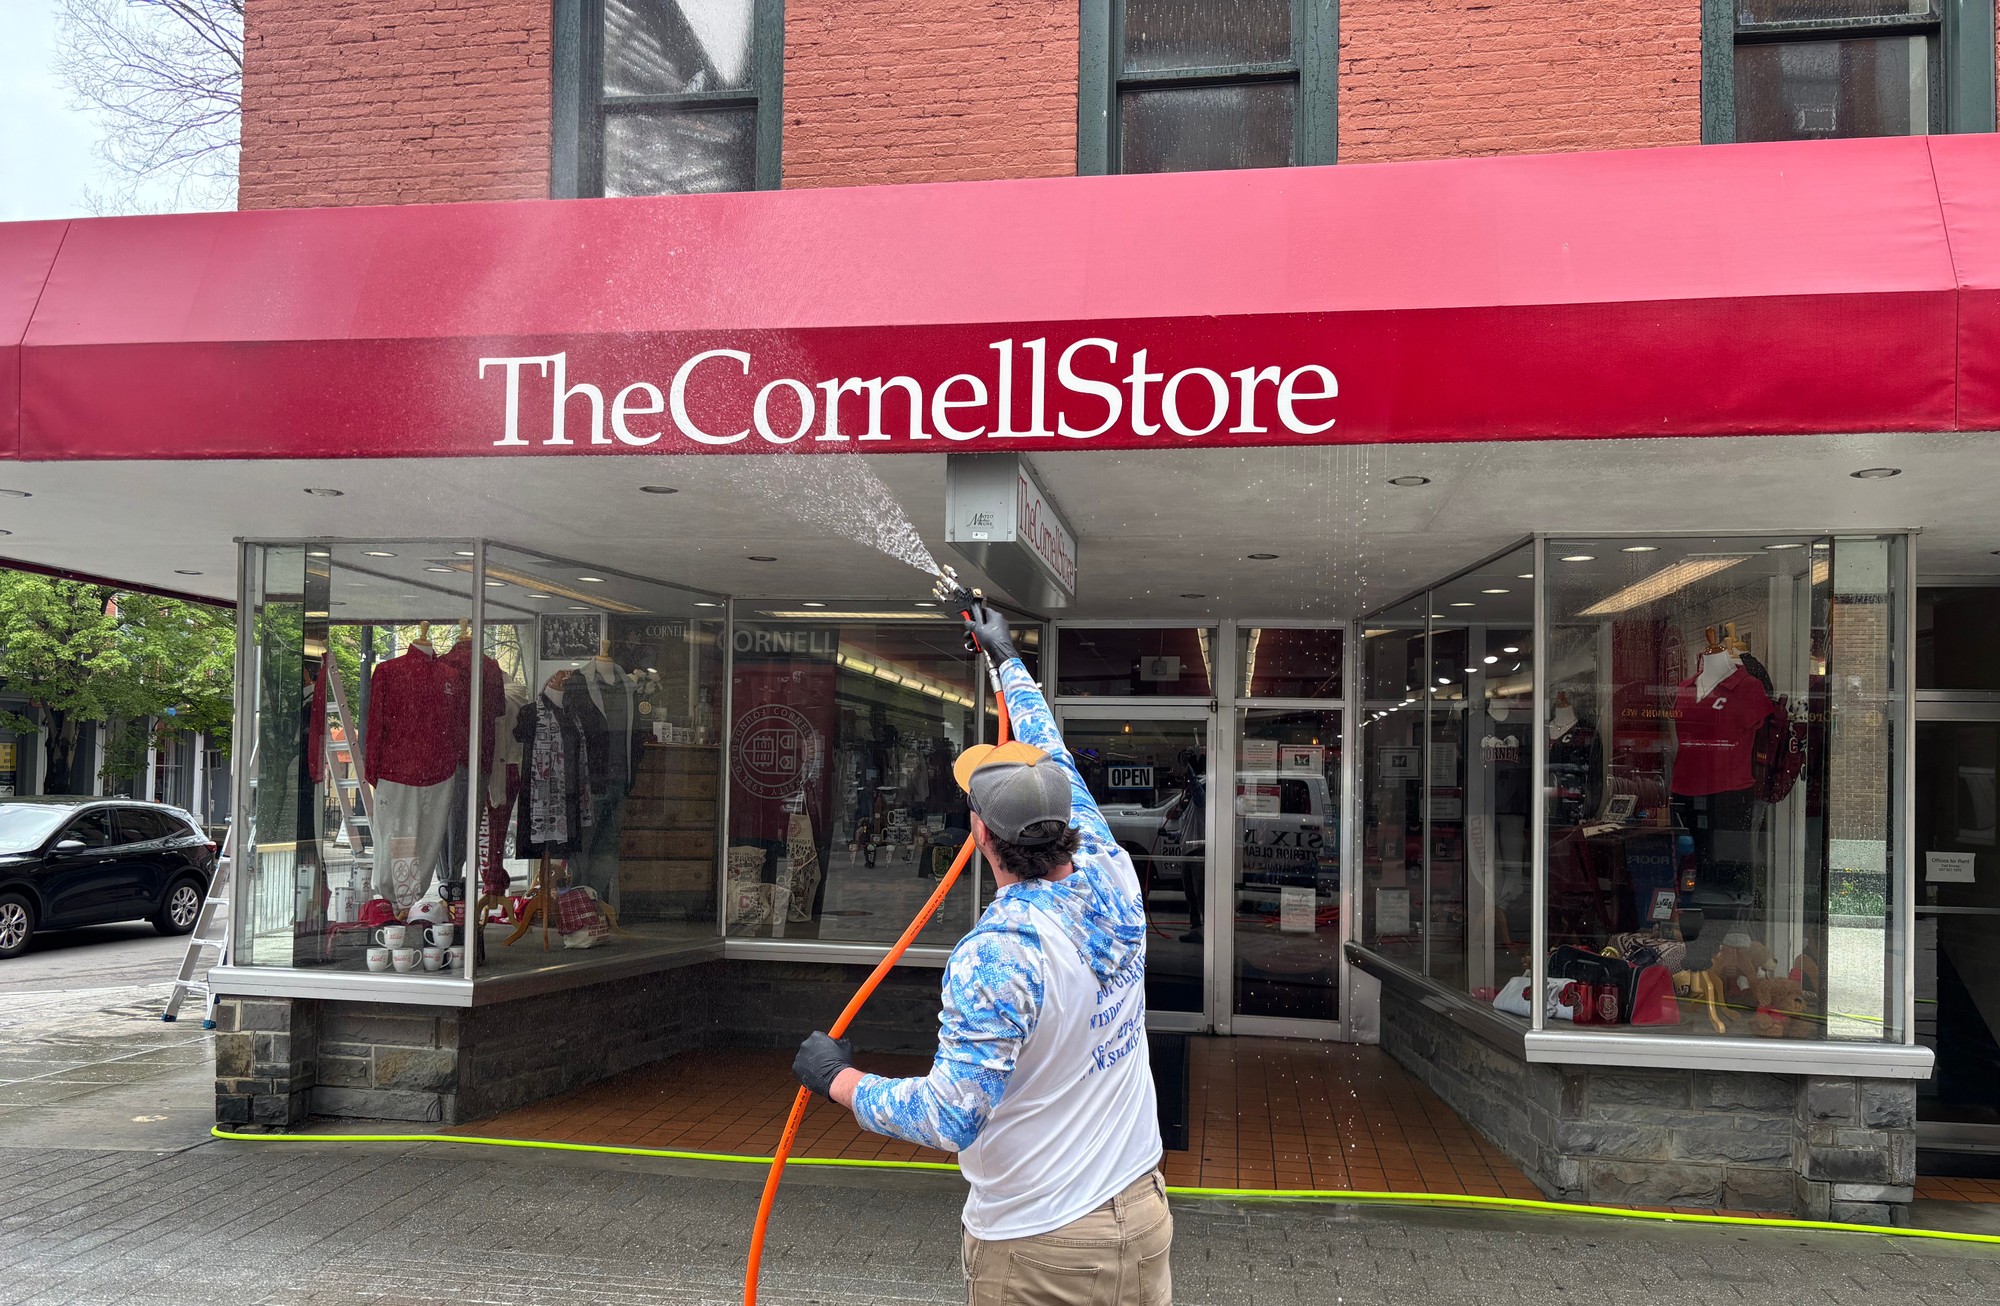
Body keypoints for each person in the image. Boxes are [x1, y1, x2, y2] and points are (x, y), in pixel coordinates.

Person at [794, 602, 1171, 1305]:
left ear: (980, 833)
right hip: (1141, 1211)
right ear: (1064, 823)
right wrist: (1007, 661)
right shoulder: (1111, 871)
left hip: (1044, 1243)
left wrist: (837, 1081)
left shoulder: (1000, 955)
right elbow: (1048, 746)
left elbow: (950, 1116)